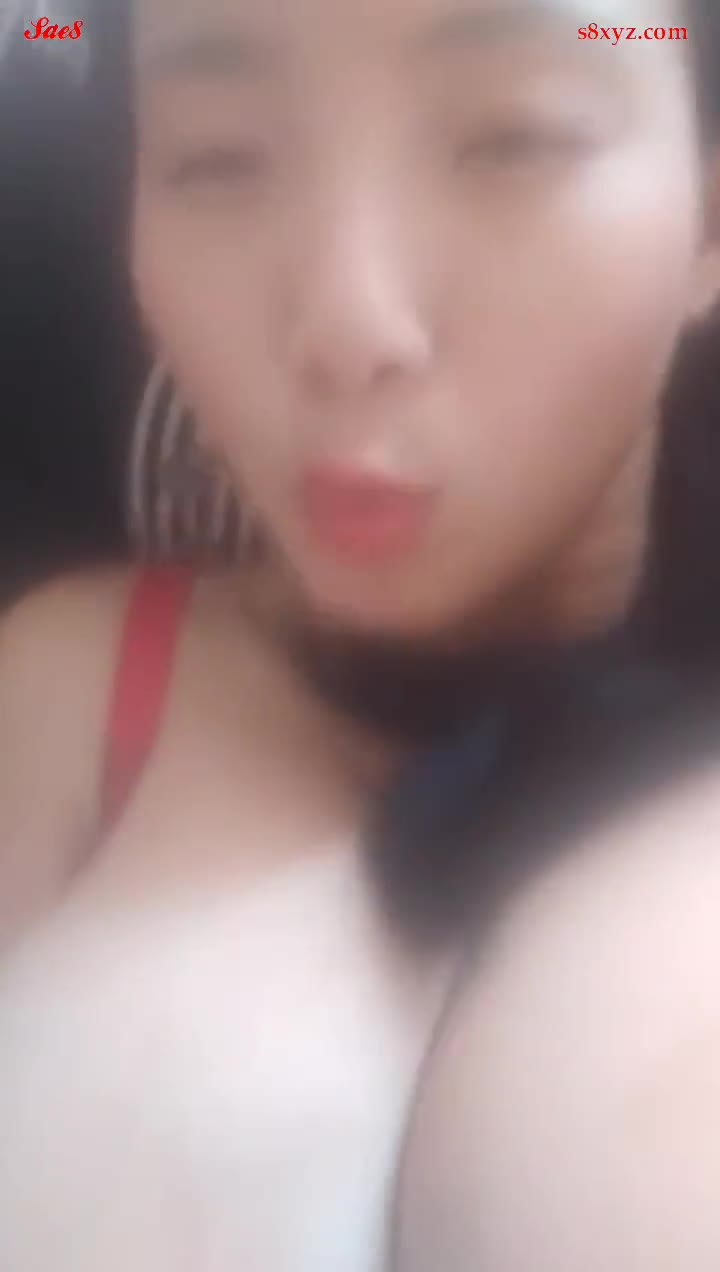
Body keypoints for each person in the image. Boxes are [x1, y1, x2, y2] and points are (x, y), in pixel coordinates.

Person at [2, 0, 720, 1266]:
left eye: (513, 138)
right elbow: (37, 40)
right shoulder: (79, 683)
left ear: (707, 219)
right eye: (218, 157)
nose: (349, 326)